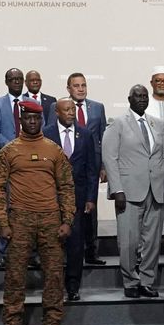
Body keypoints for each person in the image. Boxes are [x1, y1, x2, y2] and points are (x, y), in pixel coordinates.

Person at [0, 100, 74, 325]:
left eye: (36, 119)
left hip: (51, 219)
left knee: (54, 275)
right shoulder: (9, 151)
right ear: (21, 120)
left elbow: (67, 187)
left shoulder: (54, 150)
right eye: (27, 118)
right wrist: (3, 222)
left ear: (41, 121)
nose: (31, 122)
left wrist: (67, 219)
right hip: (19, 220)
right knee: (15, 275)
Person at [103, 84, 164, 300]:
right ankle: (130, 280)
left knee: (152, 240)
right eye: (137, 96)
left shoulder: (157, 124)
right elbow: (110, 158)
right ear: (129, 99)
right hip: (128, 191)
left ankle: (147, 281)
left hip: (156, 189)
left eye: (144, 96)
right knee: (129, 240)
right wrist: (117, 189)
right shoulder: (118, 124)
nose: (141, 99)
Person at [43, 98, 101, 301]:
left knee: (76, 245)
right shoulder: (46, 133)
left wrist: (91, 198)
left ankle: (73, 285)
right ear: (57, 112)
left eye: (73, 110)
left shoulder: (85, 134)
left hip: (78, 198)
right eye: (66, 110)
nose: (71, 113)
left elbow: (92, 169)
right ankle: (53, 285)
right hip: (51, 198)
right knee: (53, 245)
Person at [0, 67, 28, 152]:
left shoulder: (33, 103)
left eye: (20, 79)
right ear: (6, 82)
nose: (17, 82)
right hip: (3, 153)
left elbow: (40, 126)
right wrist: (11, 148)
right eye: (13, 79)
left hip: (29, 151)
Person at [65, 72, 107, 139]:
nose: (81, 89)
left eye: (83, 85)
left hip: (93, 149)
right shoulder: (59, 107)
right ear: (68, 89)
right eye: (76, 86)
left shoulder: (98, 107)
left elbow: (103, 136)